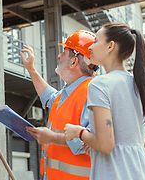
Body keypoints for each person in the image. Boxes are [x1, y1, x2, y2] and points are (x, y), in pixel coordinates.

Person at [64, 22, 145, 180]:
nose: (90, 47)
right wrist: (101, 146)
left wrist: (79, 132)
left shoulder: (99, 84)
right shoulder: (141, 87)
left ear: (110, 46)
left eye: (96, 41)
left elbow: (105, 144)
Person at [21, 30, 99, 180]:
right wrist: (31, 69)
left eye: (64, 52)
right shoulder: (70, 91)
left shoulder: (92, 92)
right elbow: (50, 96)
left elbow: (91, 141)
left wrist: (53, 138)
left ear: (73, 62)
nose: (59, 55)